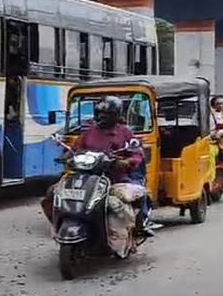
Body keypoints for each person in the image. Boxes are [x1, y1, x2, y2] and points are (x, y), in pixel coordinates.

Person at [43, 96, 151, 232]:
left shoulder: (125, 132)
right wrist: (67, 156)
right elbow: (76, 149)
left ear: (117, 115)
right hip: (85, 178)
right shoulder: (88, 133)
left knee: (133, 197)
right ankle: (58, 224)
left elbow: (137, 153)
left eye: (108, 114)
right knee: (52, 193)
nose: (103, 116)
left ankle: (138, 226)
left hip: (113, 179)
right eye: (100, 113)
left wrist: (126, 162)